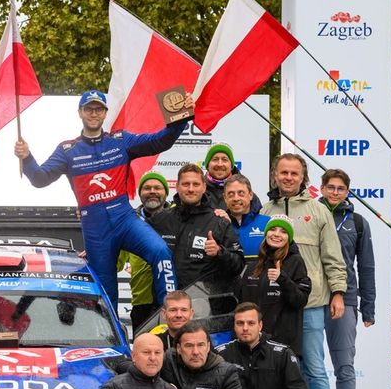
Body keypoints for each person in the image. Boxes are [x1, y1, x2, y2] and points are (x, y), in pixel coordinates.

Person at [14, 90, 190, 313]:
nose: (93, 113)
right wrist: (27, 158)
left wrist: (180, 117)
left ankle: (172, 314)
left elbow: (160, 141)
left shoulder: (121, 141)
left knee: (160, 252)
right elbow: (40, 179)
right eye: (89, 109)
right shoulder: (68, 150)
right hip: (96, 230)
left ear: (105, 113)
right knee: (107, 293)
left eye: (98, 109)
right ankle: (113, 342)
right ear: (80, 113)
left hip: (125, 220)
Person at [261, 154, 347, 389]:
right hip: (273, 308)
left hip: (309, 304)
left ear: (303, 177)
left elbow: (333, 258)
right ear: (275, 175)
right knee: (273, 370)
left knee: (313, 368)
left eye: (293, 173)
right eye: (283, 172)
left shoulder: (318, 210)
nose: (287, 177)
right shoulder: (264, 211)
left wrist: (338, 292)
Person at [319, 168, 375, 389]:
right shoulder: (311, 214)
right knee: (309, 365)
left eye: (341, 188)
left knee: (344, 365)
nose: (335, 192)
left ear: (348, 192)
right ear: (322, 188)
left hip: (346, 300)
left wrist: (369, 308)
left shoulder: (358, 222)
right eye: (331, 187)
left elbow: (365, 266)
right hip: (313, 298)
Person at [148, 163, 245, 291]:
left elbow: (238, 265)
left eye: (196, 184)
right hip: (166, 303)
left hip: (205, 306)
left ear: (204, 187)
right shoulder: (159, 220)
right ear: (177, 187)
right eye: (186, 184)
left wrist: (220, 252)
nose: (191, 189)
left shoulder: (219, 222)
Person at [237, 215, 312, 355]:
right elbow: (242, 303)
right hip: (253, 343)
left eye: (283, 231)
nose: (277, 234)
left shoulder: (295, 262)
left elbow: (300, 300)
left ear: (289, 238)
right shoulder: (255, 264)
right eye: (272, 229)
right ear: (266, 234)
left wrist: (282, 279)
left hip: (283, 346)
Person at [122, 172, 171, 329]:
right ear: (140, 193)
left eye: (157, 187)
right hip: (141, 303)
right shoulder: (129, 223)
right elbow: (114, 262)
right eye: (147, 188)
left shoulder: (178, 219)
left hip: (172, 300)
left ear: (166, 192)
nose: (152, 191)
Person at [223, 174, 270, 260]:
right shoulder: (219, 225)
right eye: (231, 194)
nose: (236, 198)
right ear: (225, 198)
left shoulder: (268, 223)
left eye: (241, 193)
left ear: (250, 195)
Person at [203, 143, 262, 211]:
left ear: (231, 166)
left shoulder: (247, 194)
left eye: (224, 159)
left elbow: (256, 219)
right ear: (207, 165)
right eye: (215, 159)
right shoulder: (199, 191)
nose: (220, 164)